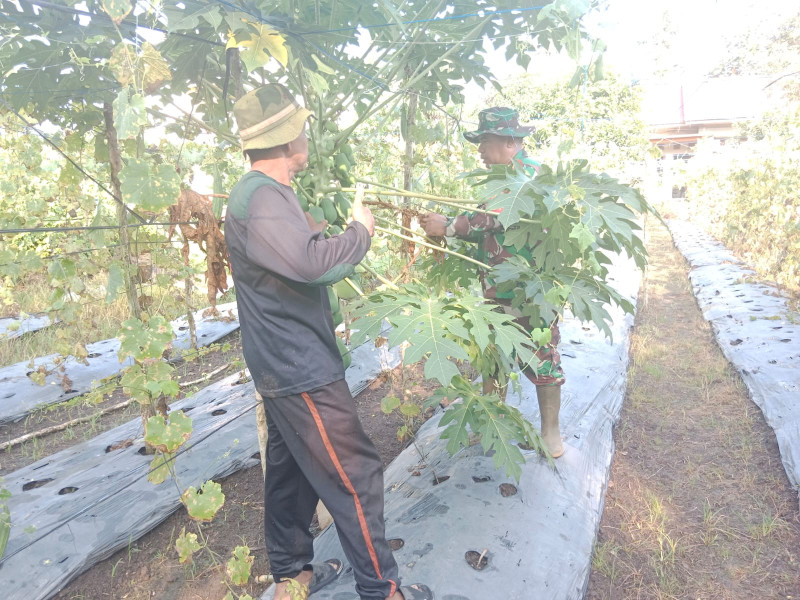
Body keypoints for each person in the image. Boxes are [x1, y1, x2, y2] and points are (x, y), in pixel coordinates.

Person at [226, 84, 434, 600]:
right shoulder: (260, 196)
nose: (308, 137)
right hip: (300, 366)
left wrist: (318, 232)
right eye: (302, 128)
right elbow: (309, 264)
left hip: (282, 362)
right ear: (286, 137)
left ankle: (292, 577)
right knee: (355, 473)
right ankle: (383, 590)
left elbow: (291, 256)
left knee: (292, 472)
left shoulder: (269, 194)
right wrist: (360, 232)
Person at [419, 107, 565, 459]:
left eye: (485, 141)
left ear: (511, 142)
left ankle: (550, 433)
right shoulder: (502, 178)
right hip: (496, 290)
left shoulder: (529, 176)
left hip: (529, 291)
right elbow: (493, 232)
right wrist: (448, 230)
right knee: (493, 356)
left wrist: (450, 225)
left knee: (541, 357)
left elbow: (493, 218)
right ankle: (492, 426)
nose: (480, 150)